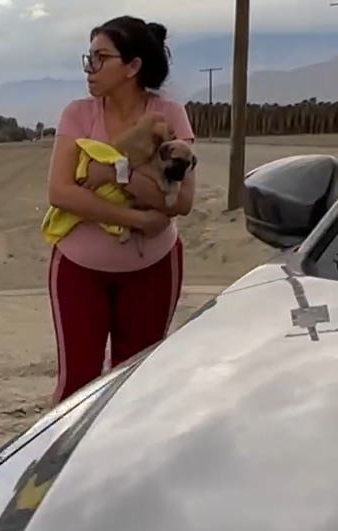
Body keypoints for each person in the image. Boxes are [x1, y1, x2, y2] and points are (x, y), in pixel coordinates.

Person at [45, 16, 196, 404]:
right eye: (88, 58)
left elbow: (181, 200)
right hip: (79, 270)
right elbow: (61, 192)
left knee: (137, 386)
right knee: (76, 388)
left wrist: (116, 171)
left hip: (153, 270)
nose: (89, 68)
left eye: (101, 58)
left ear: (132, 67)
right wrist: (138, 218)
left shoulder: (168, 116)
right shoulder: (78, 114)